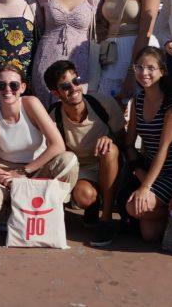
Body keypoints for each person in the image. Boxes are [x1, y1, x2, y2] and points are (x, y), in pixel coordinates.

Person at [0, 65, 78, 226]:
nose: (8, 90)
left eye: (14, 85)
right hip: (6, 174)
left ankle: (47, 209)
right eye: (1, 85)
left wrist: (24, 172)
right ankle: (11, 210)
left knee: (69, 161)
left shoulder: (31, 103)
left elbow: (58, 145)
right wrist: (14, 182)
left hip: (38, 170)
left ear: (23, 87)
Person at [44, 60, 125, 246]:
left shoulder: (102, 103)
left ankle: (106, 219)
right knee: (84, 196)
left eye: (76, 81)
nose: (74, 88)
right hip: (83, 169)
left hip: (110, 162)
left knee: (109, 149)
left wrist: (111, 139)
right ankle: (92, 205)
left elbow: (124, 139)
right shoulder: (54, 117)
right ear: (56, 93)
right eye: (65, 86)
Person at [124, 47, 172, 242]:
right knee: (150, 234)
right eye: (139, 67)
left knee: (134, 207)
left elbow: (164, 148)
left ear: (162, 71)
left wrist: (145, 187)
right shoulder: (138, 100)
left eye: (151, 68)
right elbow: (129, 144)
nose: (144, 73)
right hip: (151, 170)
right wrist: (138, 171)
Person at [31, 0, 101, 107]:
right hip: (48, 58)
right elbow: (39, 26)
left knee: (79, 109)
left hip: (80, 61)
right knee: (47, 111)